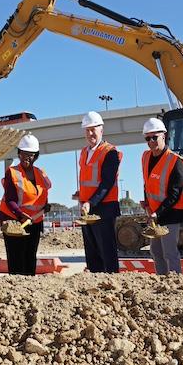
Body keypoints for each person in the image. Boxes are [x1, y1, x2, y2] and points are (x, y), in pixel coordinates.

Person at [0, 134, 52, 276]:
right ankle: (16, 290)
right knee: (16, 259)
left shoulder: (40, 173)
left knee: (30, 257)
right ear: (19, 154)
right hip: (14, 220)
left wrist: (45, 205)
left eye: (31, 155)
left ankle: (28, 289)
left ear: (36, 156)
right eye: (24, 154)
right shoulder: (13, 172)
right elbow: (10, 200)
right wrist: (21, 215)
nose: (27, 158)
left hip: (34, 221)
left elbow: (42, 192)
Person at [75, 111, 122, 273]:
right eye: (87, 130)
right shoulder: (83, 152)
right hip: (87, 209)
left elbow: (107, 183)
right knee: (92, 253)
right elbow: (88, 180)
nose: (90, 133)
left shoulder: (110, 152)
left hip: (105, 209)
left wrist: (90, 201)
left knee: (107, 252)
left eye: (93, 129)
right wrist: (81, 195)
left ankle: (111, 284)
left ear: (101, 129)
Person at [141, 118, 183, 275]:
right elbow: (146, 183)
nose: (151, 141)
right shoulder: (146, 157)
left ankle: (175, 283)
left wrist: (157, 213)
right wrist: (147, 204)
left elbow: (175, 193)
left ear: (164, 135)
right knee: (156, 251)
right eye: (148, 138)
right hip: (155, 213)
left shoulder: (176, 161)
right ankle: (162, 281)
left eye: (155, 137)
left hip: (171, 213)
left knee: (169, 252)